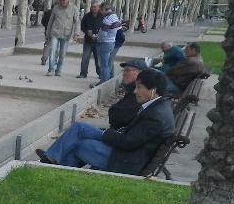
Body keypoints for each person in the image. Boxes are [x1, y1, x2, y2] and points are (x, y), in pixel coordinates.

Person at [36, 69, 175, 175]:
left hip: (126, 161)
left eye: (139, 87)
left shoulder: (155, 115)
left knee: (81, 144)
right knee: (79, 128)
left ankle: (54, 166)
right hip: (126, 152)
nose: (135, 91)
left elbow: (127, 142)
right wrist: (109, 133)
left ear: (153, 90)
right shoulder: (158, 107)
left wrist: (106, 134)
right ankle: (51, 160)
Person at [45, 0, 79, 77]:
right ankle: (51, 69)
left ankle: (58, 70)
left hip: (66, 34)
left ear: (68, 0)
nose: (62, 2)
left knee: (62, 54)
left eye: (64, 0)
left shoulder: (74, 8)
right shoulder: (56, 8)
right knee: (52, 51)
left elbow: (77, 22)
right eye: (60, 0)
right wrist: (47, 33)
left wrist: (76, 34)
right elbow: (50, 21)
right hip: (55, 33)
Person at [94, 3, 122, 85]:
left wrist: (97, 38)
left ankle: (104, 82)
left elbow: (103, 34)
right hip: (111, 42)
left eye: (101, 10)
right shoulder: (115, 17)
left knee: (104, 65)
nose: (100, 12)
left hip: (105, 43)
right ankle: (107, 80)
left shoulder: (107, 19)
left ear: (104, 9)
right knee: (108, 63)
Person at [77, 0, 102, 78]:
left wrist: (100, 34)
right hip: (88, 40)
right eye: (92, 7)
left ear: (98, 7)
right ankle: (83, 73)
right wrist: (87, 31)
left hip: (98, 41)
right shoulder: (87, 16)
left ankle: (100, 74)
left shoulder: (102, 16)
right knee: (85, 57)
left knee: (98, 59)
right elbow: (82, 26)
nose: (94, 8)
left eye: (95, 7)